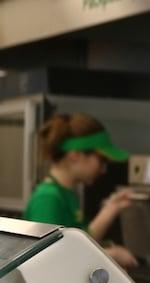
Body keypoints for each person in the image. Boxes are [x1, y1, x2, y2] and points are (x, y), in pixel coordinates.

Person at [24, 113, 136, 268]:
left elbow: (80, 242)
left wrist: (112, 208)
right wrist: (111, 255)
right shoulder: (48, 199)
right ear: (75, 155)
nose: (104, 169)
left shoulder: (66, 194)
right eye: (101, 160)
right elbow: (50, 258)